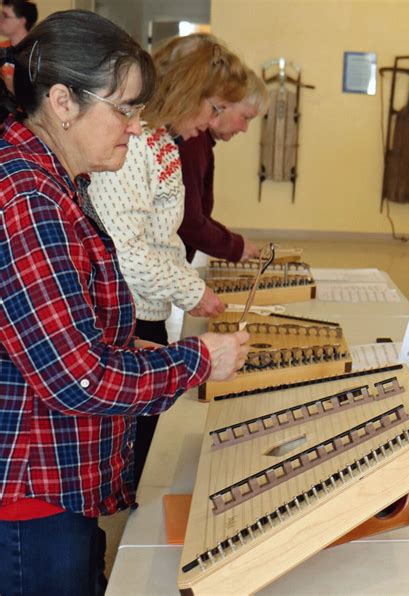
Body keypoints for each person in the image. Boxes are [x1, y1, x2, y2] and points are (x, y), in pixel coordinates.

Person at [0, 10, 249, 595]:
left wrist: (131, 346)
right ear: (63, 102)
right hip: (33, 491)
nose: (136, 129)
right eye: (125, 110)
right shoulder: (28, 198)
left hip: (61, 479)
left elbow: (62, 336)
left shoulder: (57, 180)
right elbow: (77, 378)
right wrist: (198, 362)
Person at [88, 33, 250, 487]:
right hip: (128, 315)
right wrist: (192, 290)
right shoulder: (133, 145)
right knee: (133, 452)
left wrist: (189, 286)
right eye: (214, 108)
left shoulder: (161, 141)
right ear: (186, 91)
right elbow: (126, 251)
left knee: (147, 439)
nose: (214, 121)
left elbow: (164, 241)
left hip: (151, 309)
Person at [178, 69, 268, 264]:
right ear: (223, 104)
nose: (244, 129)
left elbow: (196, 215)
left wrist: (236, 244)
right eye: (245, 117)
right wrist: (235, 246)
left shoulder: (200, 143)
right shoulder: (192, 141)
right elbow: (188, 221)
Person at [0, 0, 37, 88]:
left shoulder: (35, 52)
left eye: (5, 16)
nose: (0, 19)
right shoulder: (1, 48)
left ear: (21, 21)